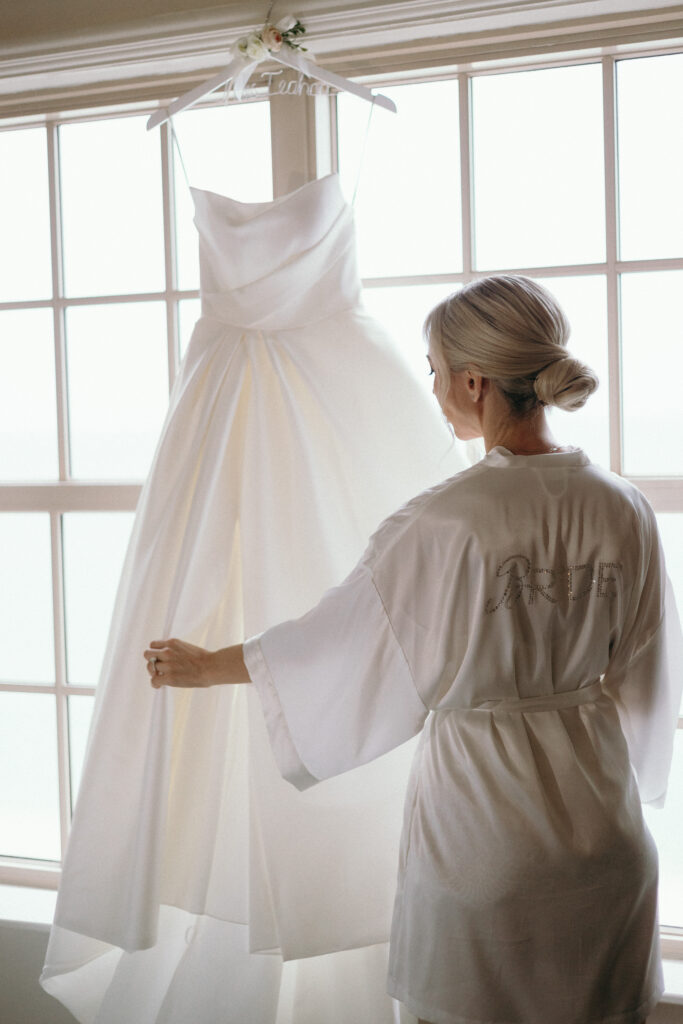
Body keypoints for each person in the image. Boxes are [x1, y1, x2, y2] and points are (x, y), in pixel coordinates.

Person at [144, 274, 682, 1024]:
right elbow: (650, 681)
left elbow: (334, 646)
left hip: (485, 842)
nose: (431, 388)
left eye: (433, 371)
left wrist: (210, 666)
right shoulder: (623, 506)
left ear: (473, 382)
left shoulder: (444, 521)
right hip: (607, 851)